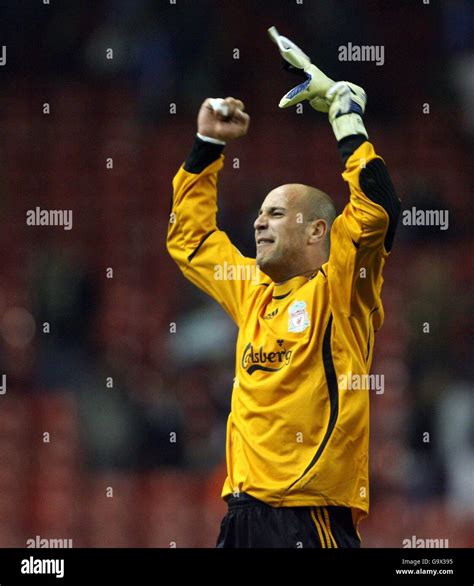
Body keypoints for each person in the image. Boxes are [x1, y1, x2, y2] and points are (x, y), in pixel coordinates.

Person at [167, 34, 401, 547]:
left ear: (318, 230)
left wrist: (346, 121)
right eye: (258, 214)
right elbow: (191, 240)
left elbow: (378, 212)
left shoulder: (342, 290)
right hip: (240, 519)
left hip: (309, 518)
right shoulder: (250, 289)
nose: (258, 224)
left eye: (276, 213)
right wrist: (207, 145)